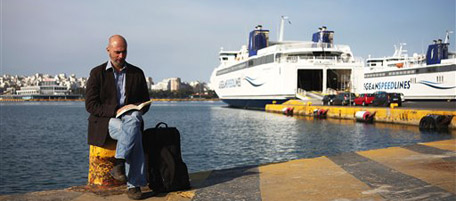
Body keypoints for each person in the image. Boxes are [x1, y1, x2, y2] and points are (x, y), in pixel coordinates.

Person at [85, 35, 150, 200]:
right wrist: (116, 110)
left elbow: (145, 101)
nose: (121, 56)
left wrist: (136, 107)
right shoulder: (97, 73)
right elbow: (91, 105)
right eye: (117, 52)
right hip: (106, 121)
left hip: (129, 119)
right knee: (133, 133)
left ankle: (119, 162)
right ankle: (134, 185)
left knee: (134, 118)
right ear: (108, 50)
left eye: (124, 52)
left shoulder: (137, 73)